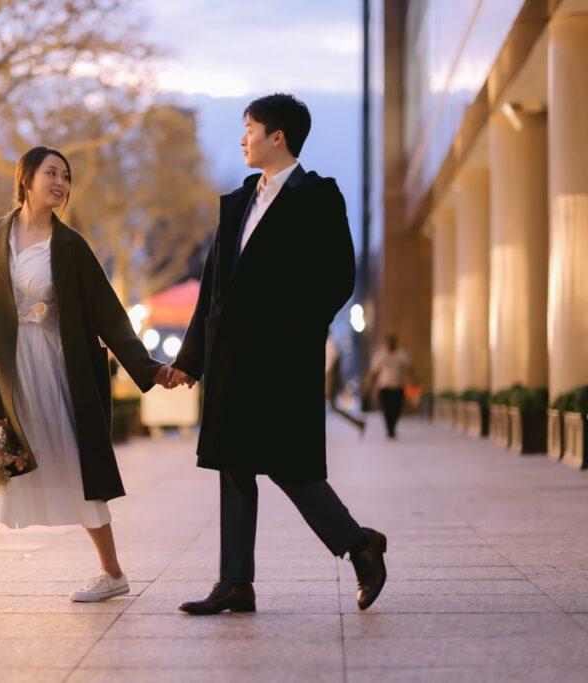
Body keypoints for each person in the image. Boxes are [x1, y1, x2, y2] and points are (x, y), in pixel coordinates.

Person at [166, 94, 388, 614]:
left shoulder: (319, 196)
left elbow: (338, 278)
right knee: (233, 464)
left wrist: (293, 334)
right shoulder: (238, 199)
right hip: (231, 361)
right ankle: (235, 582)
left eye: (250, 128)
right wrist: (191, 359)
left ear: (277, 137)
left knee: (291, 466)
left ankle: (360, 545)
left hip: (283, 361)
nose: (243, 138)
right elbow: (212, 290)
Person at [0, 146, 173, 608]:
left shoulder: (71, 246)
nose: (60, 183)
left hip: (57, 369)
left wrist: (150, 369)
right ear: (26, 179)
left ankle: (112, 573)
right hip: (4, 374)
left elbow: (109, 314)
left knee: (76, 465)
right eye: (51, 173)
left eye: (66, 176)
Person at [365, 333, 412, 439]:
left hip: (398, 387)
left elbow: (409, 368)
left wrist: (413, 380)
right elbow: (374, 372)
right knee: (386, 409)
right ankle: (389, 429)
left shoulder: (402, 355)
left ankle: (393, 426)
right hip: (385, 387)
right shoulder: (380, 356)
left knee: (397, 409)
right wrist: (368, 385)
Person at [326, 335, 366, 435]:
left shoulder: (330, 346)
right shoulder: (331, 345)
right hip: (330, 382)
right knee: (334, 407)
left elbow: (330, 368)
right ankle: (358, 423)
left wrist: (328, 385)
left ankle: (358, 423)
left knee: (334, 407)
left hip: (329, 382)